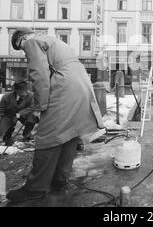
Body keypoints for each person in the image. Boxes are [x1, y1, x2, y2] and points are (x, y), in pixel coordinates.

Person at [6, 28, 104, 203]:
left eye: (20, 47)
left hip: (65, 88)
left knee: (47, 136)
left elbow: (39, 74)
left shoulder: (31, 41)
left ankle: (35, 188)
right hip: (81, 87)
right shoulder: (55, 41)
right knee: (70, 133)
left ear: (22, 38)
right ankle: (59, 180)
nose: (23, 51)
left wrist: (40, 105)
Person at [0, 80, 37, 146]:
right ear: (16, 90)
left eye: (26, 90)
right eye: (22, 91)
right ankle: (7, 136)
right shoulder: (6, 97)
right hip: (9, 115)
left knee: (32, 117)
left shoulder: (30, 95)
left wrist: (20, 113)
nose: (25, 93)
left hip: (23, 115)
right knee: (3, 130)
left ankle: (26, 134)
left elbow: (32, 107)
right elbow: (1, 109)